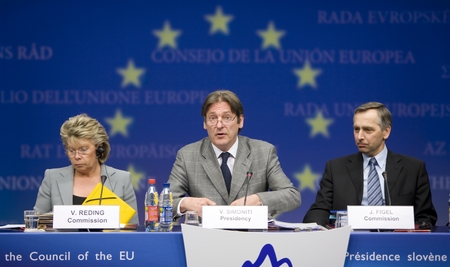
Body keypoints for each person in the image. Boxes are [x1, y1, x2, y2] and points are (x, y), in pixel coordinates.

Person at [168, 90, 301, 220]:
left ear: (240, 121)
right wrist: (184, 203)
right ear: (205, 123)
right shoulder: (187, 156)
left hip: (252, 238)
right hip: (206, 238)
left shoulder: (263, 152)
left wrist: (258, 200)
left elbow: (292, 196)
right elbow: (163, 204)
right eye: (212, 118)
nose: (219, 125)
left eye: (227, 118)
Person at [303, 102, 437, 227]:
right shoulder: (335, 168)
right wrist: (313, 228)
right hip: (350, 243)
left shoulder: (413, 169)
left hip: (397, 245)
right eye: (356, 129)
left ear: (386, 132)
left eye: (368, 130)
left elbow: (425, 217)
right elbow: (320, 209)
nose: (359, 136)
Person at [34, 114, 139, 225]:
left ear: (99, 149)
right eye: (71, 150)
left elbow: (132, 228)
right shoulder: (52, 178)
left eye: (83, 149)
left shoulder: (121, 179)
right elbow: (36, 224)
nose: (77, 156)